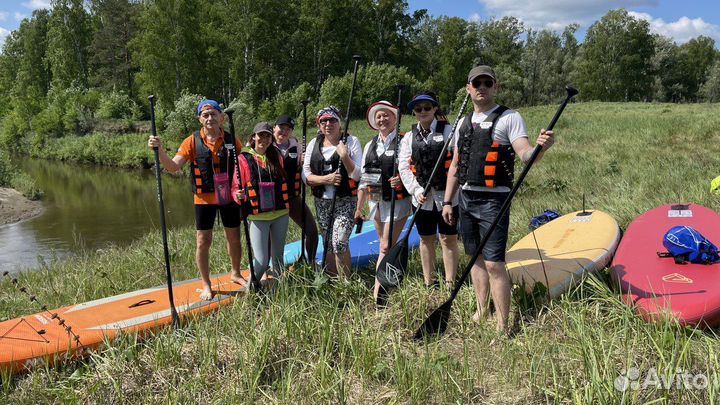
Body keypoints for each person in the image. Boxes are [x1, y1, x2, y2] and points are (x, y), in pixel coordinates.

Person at [442, 65, 556, 334]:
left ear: (496, 87)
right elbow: (456, 165)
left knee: (494, 262)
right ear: (469, 89)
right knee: (475, 258)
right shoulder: (463, 123)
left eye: (487, 83)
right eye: (476, 83)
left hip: (495, 200)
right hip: (467, 197)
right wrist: (448, 201)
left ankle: (503, 325)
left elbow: (526, 155)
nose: (482, 87)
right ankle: (482, 310)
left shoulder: (509, 118)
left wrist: (541, 147)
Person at [147, 99, 244, 300]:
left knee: (234, 237)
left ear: (221, 117)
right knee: (203, 241)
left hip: (229, 198)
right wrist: (160, 151)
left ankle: (235, 273)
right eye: (205, 115)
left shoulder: (232, 139)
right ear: (200, 118)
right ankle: (206, 284)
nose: (210, 118)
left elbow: (243, 164)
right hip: (204, 199)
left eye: (213, 114)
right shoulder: (191, 141)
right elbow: (173, 167)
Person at [398, 91, 460, 289]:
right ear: (414, 112)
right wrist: (415, 190)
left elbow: (458, 163)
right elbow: (404, 167)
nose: (422, 111)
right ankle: (429, 282)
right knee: (426, 239)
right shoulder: (408, 137)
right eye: (418, 108)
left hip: (447, 197)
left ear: (434, 109)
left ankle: (450, 283)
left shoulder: (450, 130)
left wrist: (450, 196)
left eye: (427, 107)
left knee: (448, 238)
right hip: (421, 198)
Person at [355, 101, 411, 299]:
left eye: (386, 115)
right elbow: (364, 178)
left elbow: (413, 170)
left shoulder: (405, 141)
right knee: (383, 245)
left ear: (395, 118)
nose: (382, 119)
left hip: (398, 200)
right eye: (379, 116)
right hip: (375, 200)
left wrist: (402, 180)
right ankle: (387, 283)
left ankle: (380, 292)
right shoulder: (370, 144)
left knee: (385, 246)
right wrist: (359, 207)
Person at [302, 106, 362, 277]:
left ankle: (345, 284)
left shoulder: (351, 142)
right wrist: (326, 180)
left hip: (346, 200)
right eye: (324, 121)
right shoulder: (315, 143)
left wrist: (344, 156)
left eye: (332, 120)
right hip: (322, 201)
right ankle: (331, 279)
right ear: (319, 124)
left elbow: (357, 174)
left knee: (340, 242)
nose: (328, 123)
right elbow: (306, 176)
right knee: (327, 242)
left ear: (339, 123)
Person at [233, 122, 290, 281]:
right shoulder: (243, 159)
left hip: (281, 213)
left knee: (278, 260)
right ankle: (251, 293)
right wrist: (237, 194)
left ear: (271, 139)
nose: (264, 139)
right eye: (260, 135)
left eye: (267, 136)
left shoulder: (277, 155)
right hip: (258, 217)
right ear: (253, 137)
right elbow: (235, 187)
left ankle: (279, 293)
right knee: (261, 262)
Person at [272, 115, 319, 265]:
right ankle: (269, 270)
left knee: (311, 231)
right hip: (271, 200)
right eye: (281, 128)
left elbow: (304, 170)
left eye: (288, 129)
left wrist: (304, 162)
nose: (284, 132)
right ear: (274, 128)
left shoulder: (297, 147)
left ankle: (309, 262)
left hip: (292, 197)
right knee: (272, 238)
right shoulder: (265, 143)